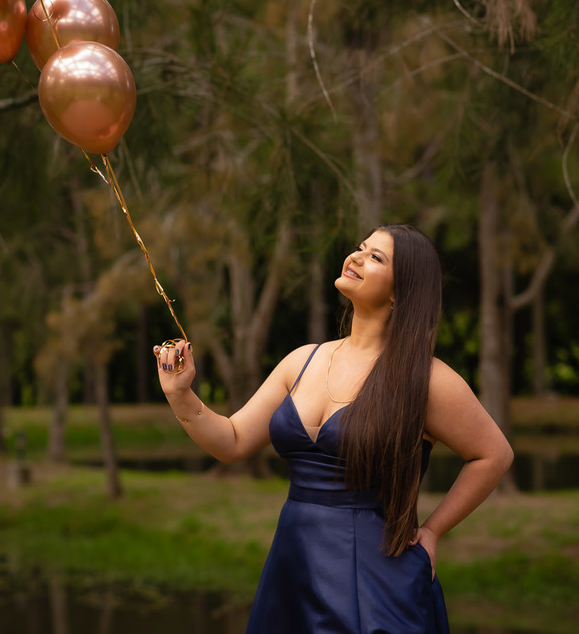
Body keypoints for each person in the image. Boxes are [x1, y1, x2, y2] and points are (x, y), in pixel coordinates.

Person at [155, 224, 514, 634]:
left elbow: (493, 454)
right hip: (293, 568)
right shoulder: (302, 361)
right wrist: (180, 394)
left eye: (376, 257)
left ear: (400, 292)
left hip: (375, 578)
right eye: (361, 247)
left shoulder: (426, 379)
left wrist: (432, 531)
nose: (356, 256)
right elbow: (232, 441)